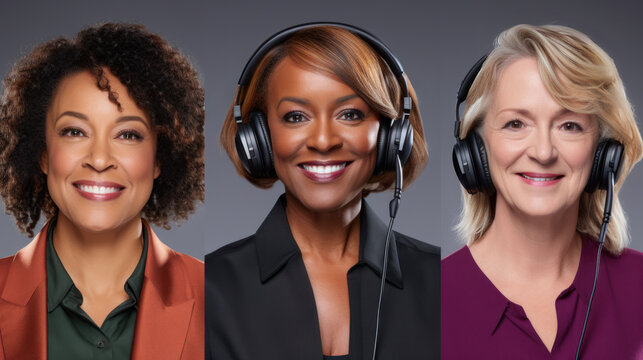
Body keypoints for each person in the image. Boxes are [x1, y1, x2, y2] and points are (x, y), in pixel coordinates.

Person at [206, 23, 440, 360]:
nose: (323, 140)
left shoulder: (443, 285)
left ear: (392, 135)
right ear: (258, 136)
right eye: (296, 116)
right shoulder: (210, 289)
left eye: (350, 114)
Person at [0, 23, 205, 359]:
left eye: (128, 135)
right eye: (74, 132)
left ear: (159, 159)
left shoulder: (216, 297)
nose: (99, 159)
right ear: (42, 154)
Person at [442, 24, 643, 359]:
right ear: (476, 148)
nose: (544, 152)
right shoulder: (422, 302)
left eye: (570, 126)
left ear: (602, 152)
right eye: (516, 124)